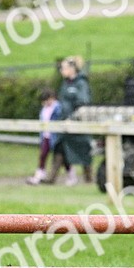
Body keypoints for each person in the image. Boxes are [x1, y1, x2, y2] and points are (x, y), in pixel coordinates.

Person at [53, 56, 93, 185]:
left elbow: (83, 102)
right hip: (64, 122)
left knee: (84, 151)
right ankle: (51, 177)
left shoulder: (81, 83)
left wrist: (73, 117)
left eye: (64, 68)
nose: (61, 70)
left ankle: (89, 178)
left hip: (78, 124)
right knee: (60, 147)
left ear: (72, 69)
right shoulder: (65, 83)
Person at [27, 89, 63, 185]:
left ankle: (71, 175)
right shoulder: (44, 109)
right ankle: (40, 174)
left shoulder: (58, 107)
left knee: (61, 157)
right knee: (43, 155)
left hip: (56, 136)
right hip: (46, 135)